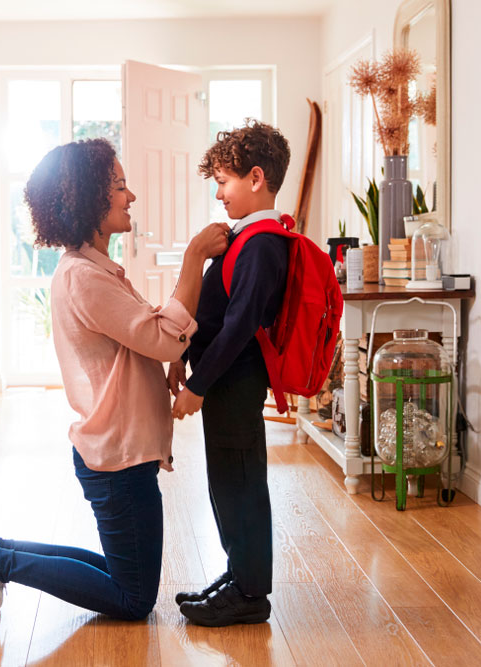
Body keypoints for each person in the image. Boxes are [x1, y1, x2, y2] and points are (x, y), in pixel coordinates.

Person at [0, 138, 230, 624]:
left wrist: (166, 355)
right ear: (88, 200)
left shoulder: (94, 270)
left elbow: (144, 338)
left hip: (118, 453)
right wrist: (193, 259)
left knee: (124, 574)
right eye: (120, 186)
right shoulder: (85, 277)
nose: (131, 197)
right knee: (133, 597)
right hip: (118, 460)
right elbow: (164, 337)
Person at [167, 120, 292, 626]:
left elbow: (240, 326)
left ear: (256, 177)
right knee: (226, 482)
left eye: (224, 181)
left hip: (234, 382)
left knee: (240, 484)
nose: (218, 193)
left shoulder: (263, 242)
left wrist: (198, 386)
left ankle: (250, 594)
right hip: (225, 382)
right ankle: (240, 575)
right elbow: (216, 312)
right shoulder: (245, 237)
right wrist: (182, 353)